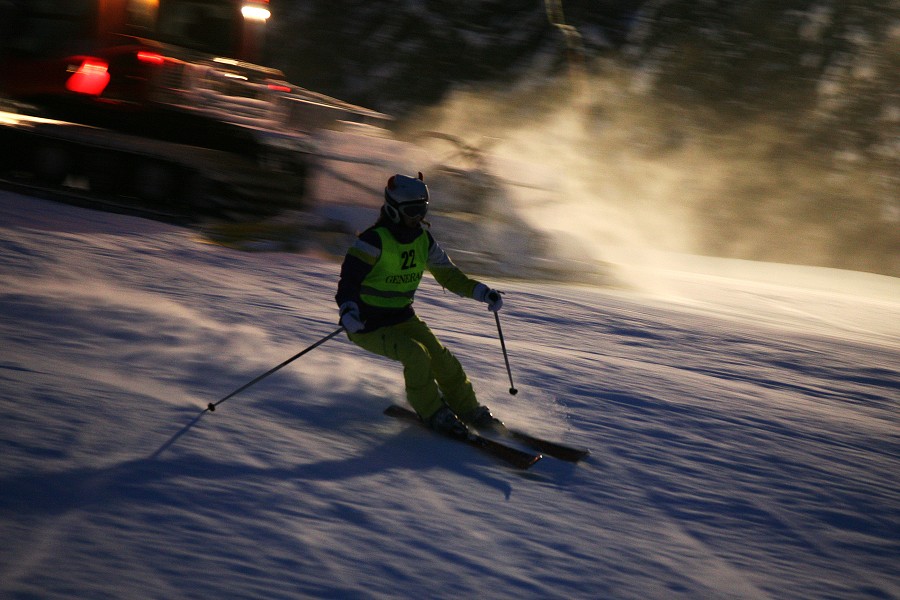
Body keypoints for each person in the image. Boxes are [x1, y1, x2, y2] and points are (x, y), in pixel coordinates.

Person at [335, 172, 504, 439]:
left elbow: (449, 275)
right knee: (415, 354)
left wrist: (481, 292)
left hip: (402, 318)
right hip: (367, 324)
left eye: (422, 209)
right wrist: (348, 310)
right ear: (393, 209)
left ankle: (469, 410)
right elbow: (349, 281)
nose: (417, 216)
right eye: (412, 210)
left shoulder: (423, 240)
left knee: (442, 359)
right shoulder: (372, 241)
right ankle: (433, 413)